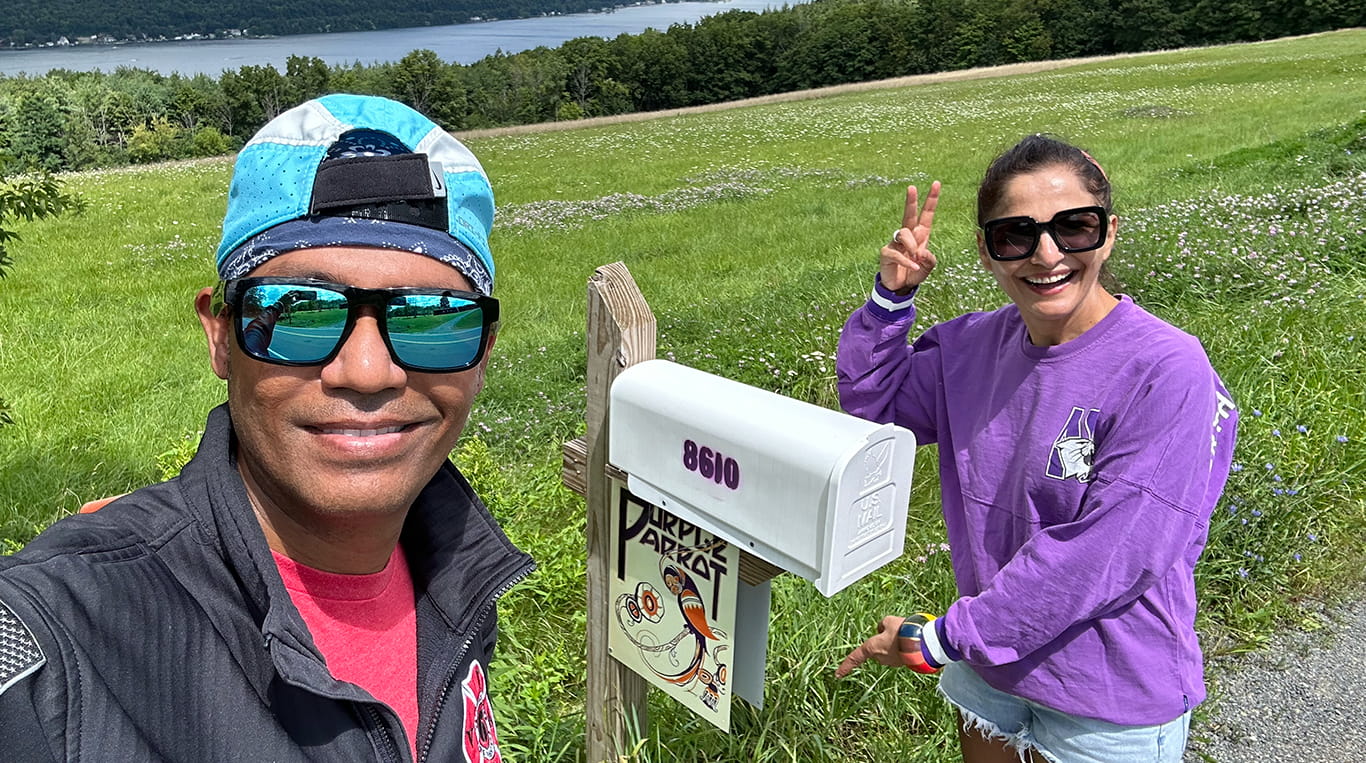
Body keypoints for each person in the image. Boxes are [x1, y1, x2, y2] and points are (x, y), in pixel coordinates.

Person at [0, 94, 534, 761]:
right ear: (220, 335)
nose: (367, 372)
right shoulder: (55, 641)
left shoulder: (457, 570)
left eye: (431, 318)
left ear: (482, 354)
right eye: (299, 312)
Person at [832, 134, 1238, 762]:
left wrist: (933, 643)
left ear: (1107, 232)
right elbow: (876, 407)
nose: (1046, 254)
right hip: (991, 669)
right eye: (1015, 235)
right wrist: (892, 298)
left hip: (1104, 696)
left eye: (1074, 227)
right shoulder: (967, 349)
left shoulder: (1166, 370)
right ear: (988, 252)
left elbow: (1110, 555)